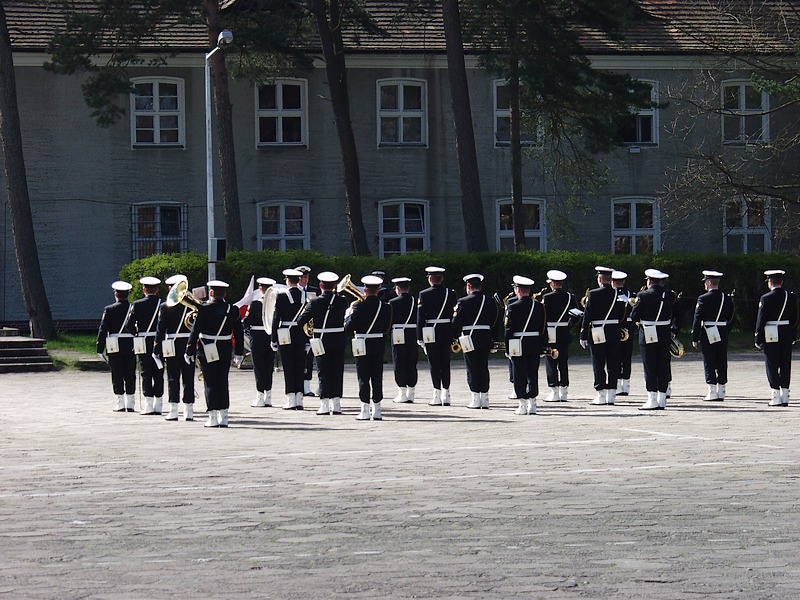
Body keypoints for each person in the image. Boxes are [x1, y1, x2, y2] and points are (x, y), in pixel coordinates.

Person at [185, 280, 244, 428]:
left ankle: (212, 417)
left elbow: (195, 330)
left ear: (211, 293)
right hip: (225, 348)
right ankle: (224, 416)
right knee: (222, 381)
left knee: (210, 382)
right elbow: (239, 332)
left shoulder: (203, 309)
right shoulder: (233, 309)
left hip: (207, 348)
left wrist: (189, 349)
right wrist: (239, 352)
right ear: (225, 294)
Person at [297, 271, 348, 415]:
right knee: (337, 371)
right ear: (335, 285)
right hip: (338, 339)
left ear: (320, 285)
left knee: (323, 371)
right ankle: (336, 404)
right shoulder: (342, 300)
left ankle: (325, 404)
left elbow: (301, 321)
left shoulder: (314, 302)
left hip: (321, 340)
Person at [630, 268, 679, 410]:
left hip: (648, 332)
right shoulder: (670, 295)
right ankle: (662, 398)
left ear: (649, 281)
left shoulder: (643, 295)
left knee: (650, 366)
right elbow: (678, 314)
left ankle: (652, 398)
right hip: (664, 332)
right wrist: (674, 329)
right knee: (663, 365)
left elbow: (634, 317)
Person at [345, 275, 392, 420]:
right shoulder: (386, 307)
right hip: (378, 343)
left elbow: (348, 328)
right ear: (378, 290)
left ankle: (365, 410)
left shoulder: (358, 306)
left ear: (365, 289)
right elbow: (386, 328)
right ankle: (377, 410)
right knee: (377, 376)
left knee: (363, 376)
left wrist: (348, 316)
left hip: (361, 343)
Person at [580, 266, 626, 406]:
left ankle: (600, 393)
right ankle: (612, 393)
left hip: (597, 331)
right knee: (613, 362)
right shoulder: (618, 294)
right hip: (613, 331)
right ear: (611, 279)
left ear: (600, 279)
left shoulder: (593, 294)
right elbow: (622, 315)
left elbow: (587, 316)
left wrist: (583, 334)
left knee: (598, 362)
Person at [154, 274, 196, 421]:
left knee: (173, 377)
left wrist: (156, 349)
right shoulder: (193, 305)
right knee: (188, 377)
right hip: (188, 345)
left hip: (171, 345)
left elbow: (160, 330)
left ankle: (173, 410)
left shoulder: (164, 307)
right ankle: (188, 410)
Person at [452, 273, 498, 409]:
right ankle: (485, 398)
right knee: (483, 367)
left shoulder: (462, 301)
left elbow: (455, 322)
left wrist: (455, 336)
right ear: (480, 286)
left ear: (468, 286)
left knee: (472, 368)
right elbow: (495, 322)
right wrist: (494, 340)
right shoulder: (490, 301)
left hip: (469, 337)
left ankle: (475, 398)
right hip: (485, 336)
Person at [504, 275, 546, 415]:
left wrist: (507, 347)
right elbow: (542, 328)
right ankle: (533, 402)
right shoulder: (539, 306)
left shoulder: (513, 306)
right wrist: (542, 345)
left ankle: (522, 404)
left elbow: (509, 329)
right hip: (534, 343)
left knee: (519, 373)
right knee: (532, 373)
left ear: (518, 290)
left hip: (517, 343)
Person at [755, 269, 798, 406]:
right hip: (786, 332)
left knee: (772, 364)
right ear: (782, 281)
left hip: (771, 332)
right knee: (785, 363)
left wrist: (758, 337)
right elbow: (795, 318)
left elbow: (761, 320)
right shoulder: (790, 297)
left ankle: (775, 394)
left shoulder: (766, 298)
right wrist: (792, 334)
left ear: (770, 282)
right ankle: (785, 394)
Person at [691, 270, 735, 401]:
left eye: (705, 282)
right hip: (722, 330)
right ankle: (722, 389)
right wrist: (726, 330)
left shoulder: (703, 298)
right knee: (721, 359)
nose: (705, 284)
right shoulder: (726, 298)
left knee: (709, 360)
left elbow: (697, 319)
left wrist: (695, 337)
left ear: (709, 282)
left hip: (708, 331)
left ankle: (712, 390)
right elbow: (732, 317)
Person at [417, 266, 457, 406]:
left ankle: (436, 394)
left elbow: (420, 317)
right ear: (442, 279)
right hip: (446, 330)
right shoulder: (450, 293)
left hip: (431, 331)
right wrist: (455, 334)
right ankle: (447, 393)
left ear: (430, 279)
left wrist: (419, 336)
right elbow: (454, 316)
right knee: (445, 362)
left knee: (434, 364)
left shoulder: (424, 294)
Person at [96, 281, 137, 412]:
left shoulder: (109, 309)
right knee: (130, 373)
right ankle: (131, 402)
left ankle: (120, 402)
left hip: (115, 345)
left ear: (116, 294)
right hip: (130, 344)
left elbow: (103, 329)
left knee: (117, 373)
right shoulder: (133, 308)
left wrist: (100, 347)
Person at [272, 268, 309, 410]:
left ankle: (291, 398)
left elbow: (276, 318)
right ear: (298, 280)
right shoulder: (305, 296)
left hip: (285, 333)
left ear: (288, 281)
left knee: (288, 366)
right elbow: (308, 320)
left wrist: (273, 338)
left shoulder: (281, 296)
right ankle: (299, 398)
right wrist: (307, 339)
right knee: (300, 366)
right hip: (300, 333)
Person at [541, 269, 579, 402]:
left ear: (551, 284)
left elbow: (543, 317)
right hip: (563, 331)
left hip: (550, 331)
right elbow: (576, 315)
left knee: (551, 361)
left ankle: (554, 390)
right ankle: (564, 390)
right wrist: (569, 325)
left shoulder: (547, 298)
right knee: (563, 361)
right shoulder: (570, 297)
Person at [132, 276, 165, 416]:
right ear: (157, 290)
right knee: (159, 371)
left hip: (144, 340)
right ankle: (159, 405)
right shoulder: (164, 304)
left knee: (146, 372)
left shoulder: (137, 304)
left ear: (144, 290)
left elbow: (129, 325)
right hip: (160, 341)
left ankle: (148, 405)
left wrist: (137, 333)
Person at [243, 277, 277, 408]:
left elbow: (246, 321)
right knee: (269, 366)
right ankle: (268, 396)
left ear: (260, 289)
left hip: (257, 337)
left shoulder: (255, 304)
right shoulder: (276, 303)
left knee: (258, 367)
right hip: (270, 336)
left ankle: (259, 396)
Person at [389, 276, 419, 403]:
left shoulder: (393, 302)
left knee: (399, 361)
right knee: (411, 361)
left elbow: (389, 320)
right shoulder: (415, 300)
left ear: (398, 288)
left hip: (398, 333)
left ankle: (402, 392)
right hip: (413, 332)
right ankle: (411, 392)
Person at [296, 265, 320, 397]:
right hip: (297, 329)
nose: (304, 279)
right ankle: (297, 386)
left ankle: (306, 386)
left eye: (305, 277)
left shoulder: (314, 291)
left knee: (309, 359)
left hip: (310, 330)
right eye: (301, 277)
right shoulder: (292, 291)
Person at [612, 271, 634, 396]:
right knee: (626, 357)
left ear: (613, 282)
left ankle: (619, 383)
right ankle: (625, 385)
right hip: (629, 327)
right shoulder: (632, 294)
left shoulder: (611, 295)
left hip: (616, 327)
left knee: (615, 356)